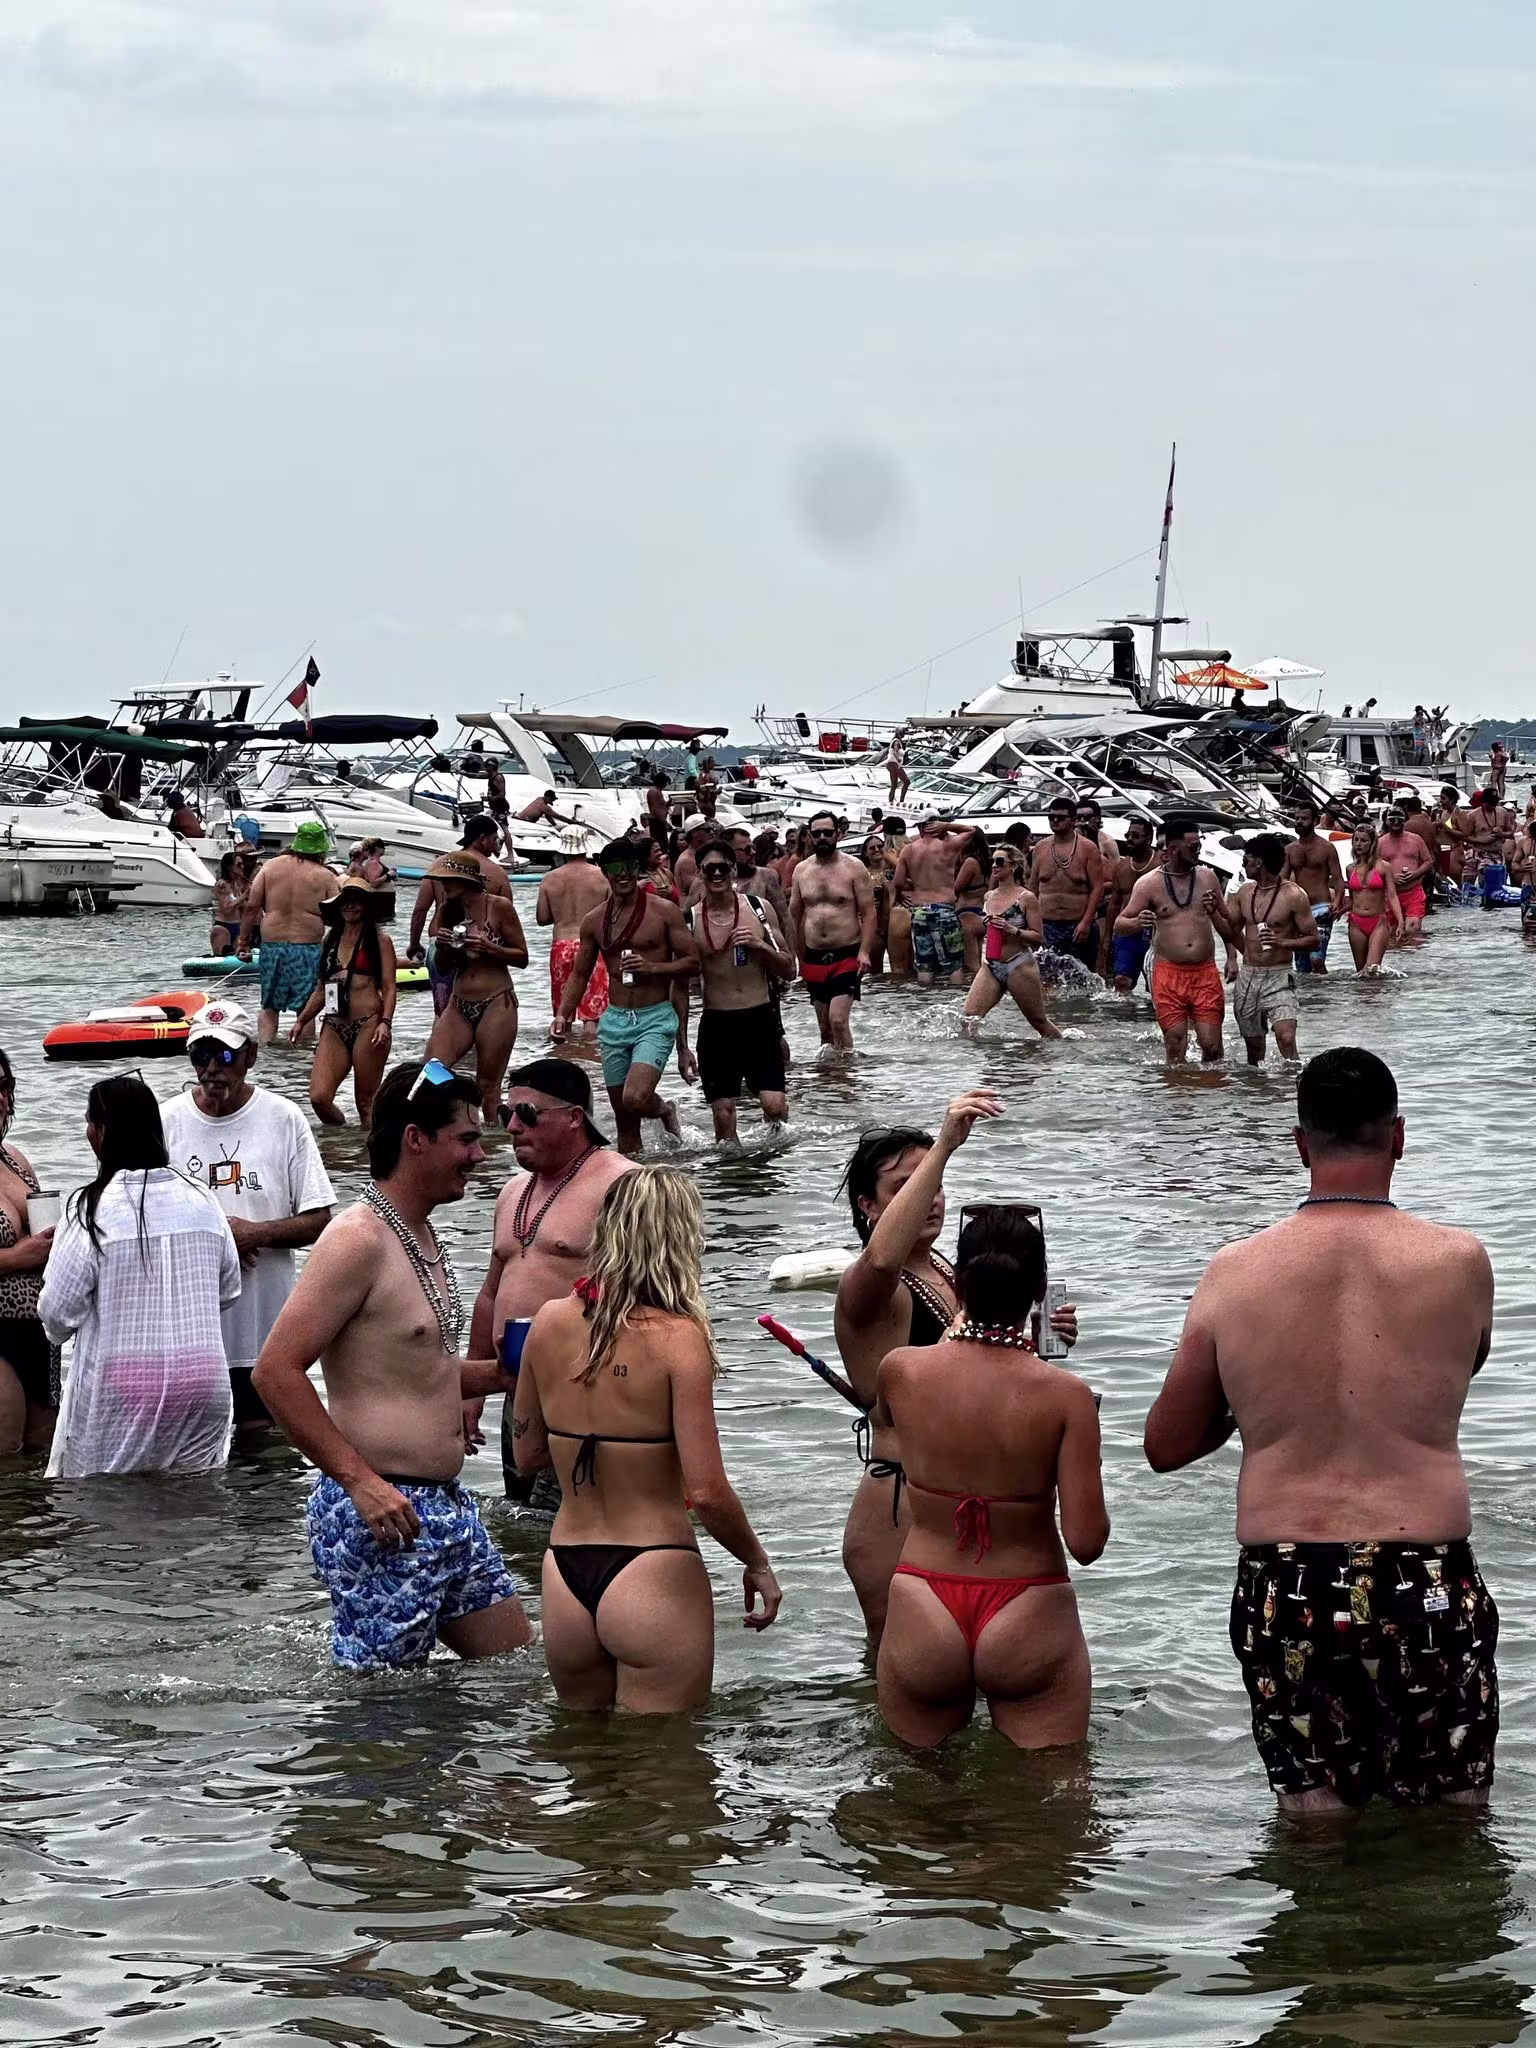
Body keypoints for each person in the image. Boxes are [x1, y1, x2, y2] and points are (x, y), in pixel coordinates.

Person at [1144, 1048, 1498, 1813]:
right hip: (1426, 1578)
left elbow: (1166, 1446)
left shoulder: (1234, 1271)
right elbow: (1457, 1374)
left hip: (1287, 1581)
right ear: (1397, 1138)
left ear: (1300, 1143)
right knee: (1453, 1814)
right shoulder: (1462, 1262)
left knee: (1313, 1819)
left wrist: (1260, 1406)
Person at [252, 1062, 532, 1672]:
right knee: (381, 1717)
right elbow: (275, 1372)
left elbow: (411, 1367)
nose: (480, 1156)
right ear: (415, 1139)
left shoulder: (419, 1233)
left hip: (446, 1506)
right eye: (466, 1139)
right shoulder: (358, 1239)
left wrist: (503, 1376)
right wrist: (359, 1482)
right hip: (382, 1509)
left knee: (516, 1673)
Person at [510, 1168, 783, 1710]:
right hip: (651, 1570)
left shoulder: (547, 1322)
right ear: (679, 1239)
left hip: (565, 1573)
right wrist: (756, 1562)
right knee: (668, 1778)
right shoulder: (680, 1340)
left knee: (587, 1770)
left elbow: (526, 1455)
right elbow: (707, 1492)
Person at [875, 1205, 1106, 1749]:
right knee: (1051, 1814)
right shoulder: (1065, 1398)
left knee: (913, 1803)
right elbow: (1087, 1543)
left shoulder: (901, 1371)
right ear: (1041, 1289)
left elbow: (890, 1420)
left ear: (958, 1281)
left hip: (923, 1601)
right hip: (1026, 1604)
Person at [834, 1096, 991, 1645]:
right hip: (899, 1502)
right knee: (900, 1678)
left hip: (959, 1498)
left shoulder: (949, 1270)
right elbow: (881, 1258)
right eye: (908, 1185)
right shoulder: (872, 1287)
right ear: (868, 1207)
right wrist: (943, 1148)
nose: (932, 1198)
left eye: (935, 1183)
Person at [41, 1074, 241, 1477]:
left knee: (105, 1515)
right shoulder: (203, 1198)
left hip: (123, 1387)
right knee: (194, 1512)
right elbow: (228, 1288)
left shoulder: (90, 1209)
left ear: (101, 1134)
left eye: (89, 1122)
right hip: (203, 1383)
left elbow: (57, 1316)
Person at [160, 1000, 335, 1433]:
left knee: (269, 1470)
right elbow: (143, 1224)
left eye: (223, 1055)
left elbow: (320, 1221)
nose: (211, 1068)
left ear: (250, 1057)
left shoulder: (283, 1119)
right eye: (200, 1055)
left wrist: (257, 1234)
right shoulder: (166, 1121)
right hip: (190, 1339)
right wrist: (220, 1241)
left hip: (265, 1337)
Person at [470, 1058, 635, 1503]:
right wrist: (472, 1390)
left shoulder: (621, 1185)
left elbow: (649, 1298)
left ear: (573, 1118)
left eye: (527, 1114)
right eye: (507, 1114)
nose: (511, 1128)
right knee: (522, 1519)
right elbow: (489, 1295)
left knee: (579, 1523)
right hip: (515, 1388)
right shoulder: (511, 1192)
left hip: (586, 1390)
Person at [552, 836, 697, 1154]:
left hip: (654, 1017)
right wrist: (563, 1014)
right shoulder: (594, 921)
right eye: (615, 868)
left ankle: (663, 1110)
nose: (623, 874)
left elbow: (692, 962)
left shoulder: (664, 912)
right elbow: (579, 974)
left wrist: (651, 967)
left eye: (629, 867)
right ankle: (632, 1187)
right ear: (604, 871)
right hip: (615, 1020)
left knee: (635, 1098)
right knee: (624, 1118)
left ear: (637, 868)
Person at [677, 840, 794, 1144]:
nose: (717, 874)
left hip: (759, 1018)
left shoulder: (758, 909)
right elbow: (678, 987)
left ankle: (777, 1174)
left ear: (733, 869)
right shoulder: (689, 920)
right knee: (724, 1115)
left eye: (723, 867)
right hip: (717, 1023)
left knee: (774, 1106)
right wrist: (683, 1046)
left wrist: (761, 947)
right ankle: (734, 1184)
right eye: (709, 868)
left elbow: (789, 969)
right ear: (700, 873)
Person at [1116, 819, 1236, 1063]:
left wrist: (1232, 957)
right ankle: (1177, 1097)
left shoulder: (1208, 877)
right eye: (1192, 847)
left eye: (1198, 846)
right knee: (1174, 1044)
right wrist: (1138, 922)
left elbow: (1229, 922)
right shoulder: (1149, 884)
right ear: (1172, 848)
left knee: (1212, 1048)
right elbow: (1120, 923)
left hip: (1204, 973)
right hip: (1168, 973)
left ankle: (1214, 1097)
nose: (1198, 852)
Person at [423, 851, 529, 1121]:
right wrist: (442, 947)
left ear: (467, 880)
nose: (443, 886)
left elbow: (522, 957)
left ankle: (493, 1156)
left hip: (496, 1000)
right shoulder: (446, 911)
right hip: (459, 1002)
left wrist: (489, 947)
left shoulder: (499, 906)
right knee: (432, 1071)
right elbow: (445, 968)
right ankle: (457, 1125)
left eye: (449, 880)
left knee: (488, 1086)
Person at [293, 882, 398, 1126]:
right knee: (319, 1097)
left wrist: (386, 1023)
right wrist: (301, 1020)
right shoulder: (329, 941)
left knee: (365, 1103)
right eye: (345, 901)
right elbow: (321, 989)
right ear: (338, 906)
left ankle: (367, 1159)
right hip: (334, 1026)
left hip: (369, 1025)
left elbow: (390, 987)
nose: (350, 906)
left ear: (367, 906)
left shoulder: (380, 941)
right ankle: (341, 1145)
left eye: (357, 900)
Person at [0, 1048, 61, 1455]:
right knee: (6, 1456)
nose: (1, 1100)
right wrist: (17, 1258)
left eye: (5, 1088)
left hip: (38, 1328)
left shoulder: (15, 1159)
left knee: (43, 1460)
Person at [236, 823, 340, 1045]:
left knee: (269, 1006)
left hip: (273, 947)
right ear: (320, 849)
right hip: (308, 949)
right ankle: (301, 1057)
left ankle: (264, 1052)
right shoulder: (325, 876)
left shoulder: (270, 868)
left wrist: (243, 942)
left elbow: (252, 907)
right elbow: (339, 918)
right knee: (305, 1007)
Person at [1222, 836, 1317, 1065]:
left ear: (1259, 862)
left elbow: (1314, 940)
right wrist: (1233, 957)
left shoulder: (1293, 894)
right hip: (1249, 977)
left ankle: (1295, 1086)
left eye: (1246, 859)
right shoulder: (1244, 892)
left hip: (1280, 974)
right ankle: (1259, 1096)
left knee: (1286, 1037)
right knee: (1254, 1050)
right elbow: (1229, 930)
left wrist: (1282, 943)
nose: (1243, 865)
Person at [788, 810, 876, 1049]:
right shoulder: (801, 870)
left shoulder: (854, 867)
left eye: (828, 832)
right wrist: (795, 955)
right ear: (809, 836)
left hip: (846, 952)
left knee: (838, 1020)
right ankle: (830, 1080)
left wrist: (865, 951)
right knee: (825, 1027)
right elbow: (793, 915)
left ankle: (848, 1076)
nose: (823, 837)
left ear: (838, 833)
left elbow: (868, 913)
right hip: (814, 954)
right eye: (817, 833)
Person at [960, 846, 1060, 1040]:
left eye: (1000, 862)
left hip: (1019, 963)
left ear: (1013, 866)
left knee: (1039, 1022)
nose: (994, 866)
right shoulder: (989, 896)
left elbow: (1038, 937)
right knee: (968, 1019)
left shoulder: (1026, 898)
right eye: (993, 861)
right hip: (991, 964)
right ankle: (976, 1065)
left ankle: (1061, 1054)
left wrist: (1012, 929)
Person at [537, 827, 611, 1041]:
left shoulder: (550, 878)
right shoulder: (601, 876)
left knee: (563, 1012)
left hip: (561, 945)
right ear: (586, 845)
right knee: (592, 1013)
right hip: (593, 945)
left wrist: (562, 913)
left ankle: (565, 1054)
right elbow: (611, 914)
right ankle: (589, 1057)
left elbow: (542, 918)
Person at [1028, 796, 1108, 976]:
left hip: (1077, 924)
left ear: (1073, 821)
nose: (1055, 820)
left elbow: (1098, 888)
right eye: (1051, 817)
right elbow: (1032, 888)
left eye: (1060, 817)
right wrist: (1031, 923)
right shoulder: (1040, 848)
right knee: (1048, 979)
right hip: (1047, 925)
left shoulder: (1087, 848)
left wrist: (1086, 923)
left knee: (1083, 980)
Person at [892, 813, 973, 988]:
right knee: (954, 965)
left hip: (919, 911)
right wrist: (946, 826)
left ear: (920, 827)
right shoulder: (948, 845)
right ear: (936, 824)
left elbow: (898, 882)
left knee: (924, 965)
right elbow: (971, 830)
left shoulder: (908, 850)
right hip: (944, 909)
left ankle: (924, 1002)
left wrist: (918, 884)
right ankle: (957, 1003)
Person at [1283, 802, 1346, 974]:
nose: (1299, 822)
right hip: (1299, 911)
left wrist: (1338, 901)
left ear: (1315, 820)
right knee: (1302, 966)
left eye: (1304, 818)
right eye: (1296, 818)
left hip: (1322, 907)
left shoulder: (1326, 848)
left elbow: (1339, 880)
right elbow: (1282, 881)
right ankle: (1312, 998)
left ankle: (1325, 993)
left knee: (1317, 960)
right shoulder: (1290, 850)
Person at [1103, 817, 1159, 991]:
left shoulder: (1160, 865)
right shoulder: (1121, 867)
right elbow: (1114, 904)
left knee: (1156, 986)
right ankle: (1125, 1018)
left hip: (1154, 934)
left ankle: (1150, 1017)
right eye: (1128, 835)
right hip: (1127, 933)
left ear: (1149, 839)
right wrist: (1107, 938)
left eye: (1135, 836)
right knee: (1121, 982)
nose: (1129, 839)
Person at [1344, 825, 1404, 972]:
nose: (1358, 844)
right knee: (1360, 972)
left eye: (1363, 840)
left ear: (1372, 843)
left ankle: (1378, 994)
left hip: (1378, 922)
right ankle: (1363, 995)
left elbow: (1392, 895)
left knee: (1372, 969)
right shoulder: (1350, 869)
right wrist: (1340, 908)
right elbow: (1353, 898)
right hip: (1356, 922)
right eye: (1356, 840)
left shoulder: (1383, 867)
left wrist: (1401, 921)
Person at [1376, 804, 1435, 936]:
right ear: (1387, 821)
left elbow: (1428, 862)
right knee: (1391, 932)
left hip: (1413, 891)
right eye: (1392, 820)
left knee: (1412, 929)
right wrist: (1391, 878)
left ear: (1405, 820)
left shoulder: (1416, 840)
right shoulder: (1380, 843)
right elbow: (1373, 868)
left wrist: (1415, 874)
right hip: (1389, 894)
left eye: (1399, 819)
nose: (1396, 823)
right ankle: (1398, 956)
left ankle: (1413, 956)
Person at [954, 829, 990, 978]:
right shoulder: (985, 862)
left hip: (966, 916)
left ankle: (972, 996)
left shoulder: (970, 862)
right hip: (979, 915)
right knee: (978, 965)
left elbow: (956, 888)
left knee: (971, 967)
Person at [210, 850, 247, 958]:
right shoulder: (222, 885)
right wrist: (244, 896)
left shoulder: (237, 885)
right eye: (239, 865)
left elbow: (243, 908)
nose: (242, 867)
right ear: (229, 867)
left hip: (237, 926)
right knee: (222, 958)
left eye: (242, 864)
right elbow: (226, 910)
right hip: (223, 927)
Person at [671, 816, 714, 899]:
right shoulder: (686, 860)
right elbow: (700, 889)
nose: (711, 832)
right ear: (694, 832)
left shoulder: (703, 855)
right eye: (707, 830)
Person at [484, 757, 516, 861]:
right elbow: (477, 775)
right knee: (495, 827)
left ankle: (510, 854)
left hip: (501, 807)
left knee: (504, 828)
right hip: (495, 807)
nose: (485, 767)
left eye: (487, 766)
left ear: (492, 766)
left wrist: (491, 798)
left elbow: (502, 794)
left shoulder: (498, 777)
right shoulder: (491, 776)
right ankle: (496, 849)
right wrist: (463, 773)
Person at [645, 764, 672, 848]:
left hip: (660, 821)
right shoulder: (653, 791)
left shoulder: (658, 791)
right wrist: (665, 823)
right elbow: (656, 810)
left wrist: (668, 804)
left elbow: (661, 806)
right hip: (657, 822)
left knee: (663, 843)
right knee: (660, 844)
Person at [884, 729, 911, 802]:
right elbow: (895, 750)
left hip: (891, 764)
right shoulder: (896, 741)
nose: (904, 734)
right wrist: (898, 758)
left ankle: (891, 801)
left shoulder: (894, 740)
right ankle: (901, 801)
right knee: (907, 782)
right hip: (895, 764)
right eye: (903, 733)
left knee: (894, 785)